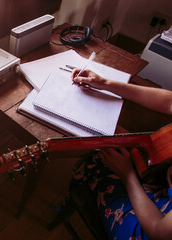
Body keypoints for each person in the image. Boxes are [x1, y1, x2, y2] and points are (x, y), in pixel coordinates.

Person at [69, 69, 172, 240]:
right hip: (164, 177)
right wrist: (105, 83)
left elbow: (158, 230)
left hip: (156, 227)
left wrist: (127, 174)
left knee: (94, 164)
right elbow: (168, 102)